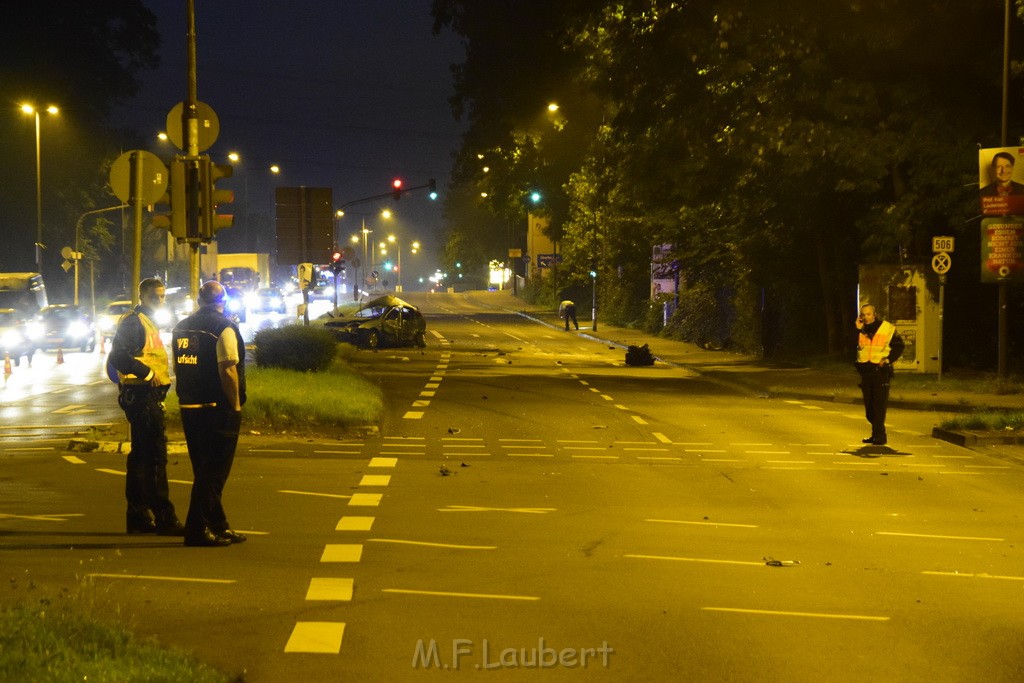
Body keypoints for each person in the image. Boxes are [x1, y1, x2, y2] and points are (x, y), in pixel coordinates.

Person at [172, 281, 247, 548]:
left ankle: (218, 525)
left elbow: (178, 365)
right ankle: (197, 529)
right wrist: (235, 406)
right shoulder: (223, 327)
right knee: (214, 473)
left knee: (203, 469)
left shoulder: (181, 327)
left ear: (198, 301)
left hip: (189, 407)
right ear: (223, 301)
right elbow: (227, 369)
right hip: (216, 409)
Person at [108, 277, 185, 536]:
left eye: (163, 296)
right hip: (142, 396)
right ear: (142, 297)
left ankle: (138, 515)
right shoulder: (134, 321)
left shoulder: (148, 321)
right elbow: (118, 356)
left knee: (142, 458)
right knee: (154, 458)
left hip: (145, 396)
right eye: (155, 297)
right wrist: (148, 375)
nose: (160, 301)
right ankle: (164, 516)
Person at [854, 304, 904, 446]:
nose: (865, 317)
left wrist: (888, 360)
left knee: (879, 406)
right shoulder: (859, 330)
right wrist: (856, 330)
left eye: (868, 314)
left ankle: (880, 436)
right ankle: (877, 434)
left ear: (874, 315)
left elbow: (899, 346)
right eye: (863, 314)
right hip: (866, 372)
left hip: (881, 372)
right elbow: (848, 344)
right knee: (869, 409)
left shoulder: (886, 328)